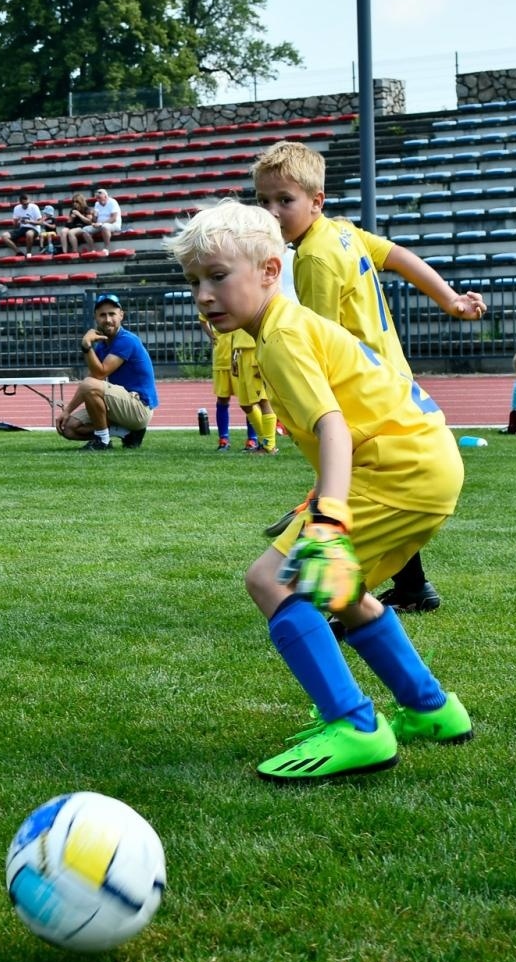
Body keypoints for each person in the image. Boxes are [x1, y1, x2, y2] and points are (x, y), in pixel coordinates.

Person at [166, 198, 472, 782]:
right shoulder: (285, 328)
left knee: (271, 581)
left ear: (269, 272)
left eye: (218, 276)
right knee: (338, 586)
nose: (204, 295)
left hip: (396, 472)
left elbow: (333, 425)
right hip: (424, 467)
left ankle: (355, 726)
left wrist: (328, 518)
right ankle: (432, 709)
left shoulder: (280, 337)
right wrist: (319, 502)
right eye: (196, 281)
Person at [253, 141, 486, 614]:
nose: (273, 213)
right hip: (391, 378)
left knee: (357, 487)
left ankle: (334, 590)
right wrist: (450, 300)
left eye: (285, 201)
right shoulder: (341, 232)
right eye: (264, 202)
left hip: (362, 389)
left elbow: (318, 340)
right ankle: (410, 586)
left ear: (317, 201)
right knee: (371, 484)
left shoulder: (314, 257)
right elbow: (399, 255)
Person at [57, 293, 158, 450]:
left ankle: (102, 440)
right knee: (69, 428)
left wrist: (86, 345)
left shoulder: (126, 340)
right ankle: (125, 432)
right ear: (96, 317)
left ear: (121, 315)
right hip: (121, 406)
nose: (108, 319)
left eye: (112, 314)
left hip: (138, 407)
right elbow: (91, 380)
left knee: (90, 385)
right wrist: (67, 411)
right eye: (103, 315)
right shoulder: (102, 345)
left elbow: (98, 375)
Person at [204, 315, 277, 454]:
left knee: (262, 400)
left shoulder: (257, 304)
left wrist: (262, 358)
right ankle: (266, 441)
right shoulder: (239, 305)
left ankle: (269, 445)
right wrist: (234, 356)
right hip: (240, 352)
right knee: (245, 403)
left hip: (254, 352)